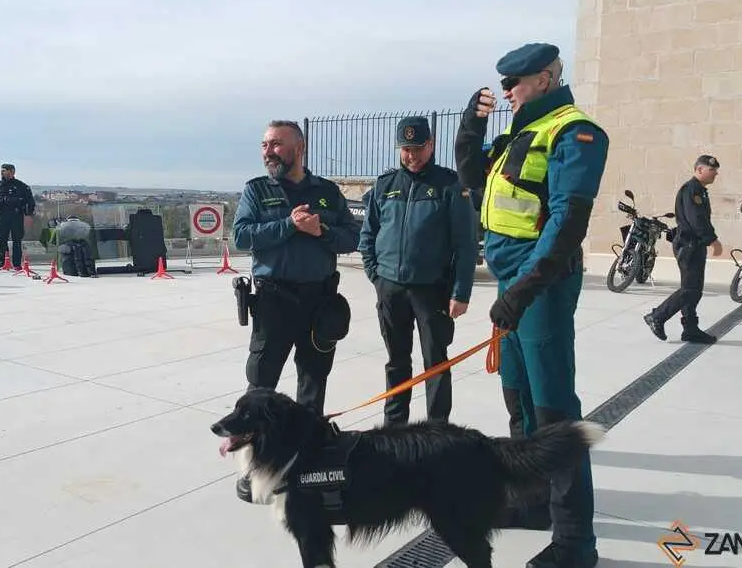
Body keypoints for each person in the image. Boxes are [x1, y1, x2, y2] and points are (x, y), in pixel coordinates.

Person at [454, 42, 607, 568]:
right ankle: (532, 500)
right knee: (517, 398)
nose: (507, 93)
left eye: (514, 84)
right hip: (512, 284)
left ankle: (574, 543)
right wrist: (469, 129)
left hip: (540, 286)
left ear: (544, 79)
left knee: (554, 413)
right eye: (503, 86)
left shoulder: (574, 131)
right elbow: (474, 181)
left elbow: (567, 222)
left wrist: (522, 290)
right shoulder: (521, 131)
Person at [231, 119, 361, 502]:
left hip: (319, 303)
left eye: (275, 144)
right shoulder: (257, 191)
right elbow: (241, 236)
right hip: (274, 301)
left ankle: (305, 462)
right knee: (261, 385)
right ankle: (256, 468)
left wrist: (321, 231)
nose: (268, 151)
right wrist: (289, 225)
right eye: (265, 144)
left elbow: (351, 238)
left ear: (298, 149)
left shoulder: (326, 192)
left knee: (313, 383)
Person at [358, 116, 478, 426]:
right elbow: (368, 234)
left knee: (434, 363)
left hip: (431, 290)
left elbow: (465, 244)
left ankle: (438, 430)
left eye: (418, 148)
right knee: (396, 362)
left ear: (431, 145)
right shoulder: (385, 185)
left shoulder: (450, 185)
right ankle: (394, 428)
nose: (412, 156)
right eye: (406, 149)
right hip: (390, 288)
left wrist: (460, 292)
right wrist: (375, 275)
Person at [643, 156, 722, 344]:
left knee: (694, 289)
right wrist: (712, 240)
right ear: (700, 170)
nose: (716, 174)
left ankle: (690, 329)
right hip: (689, 244)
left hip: (695, 244)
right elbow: (697, 219)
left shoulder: (700, 191)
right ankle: (657, 316)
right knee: (690, 289)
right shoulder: (692, 189)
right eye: (712, 170)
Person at [0, 163, 36, 270]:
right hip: (2, 215)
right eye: (2, 170)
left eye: (5, 170)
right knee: (2, 239)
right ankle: (3, 262)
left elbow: (30, 201)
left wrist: (28, 215)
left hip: (16, 215)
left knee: (17, 239)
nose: (2, 172)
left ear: (12, 172)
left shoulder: (21, 186)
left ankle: (17, 264)